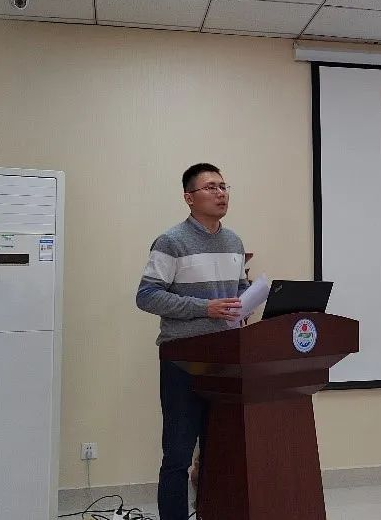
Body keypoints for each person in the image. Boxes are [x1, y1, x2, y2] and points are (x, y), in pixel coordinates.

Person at [136, 163, 249, 520]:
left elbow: (239, 290)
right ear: (189, 197)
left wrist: (247, 301)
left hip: (226, 359)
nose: (221, 193)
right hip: (183, 359)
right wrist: (206, 308)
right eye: (211, 187)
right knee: (178, 454)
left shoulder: (234, 242)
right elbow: (147, 296)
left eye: (224, 186)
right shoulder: (171, 241)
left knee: (219, 450)